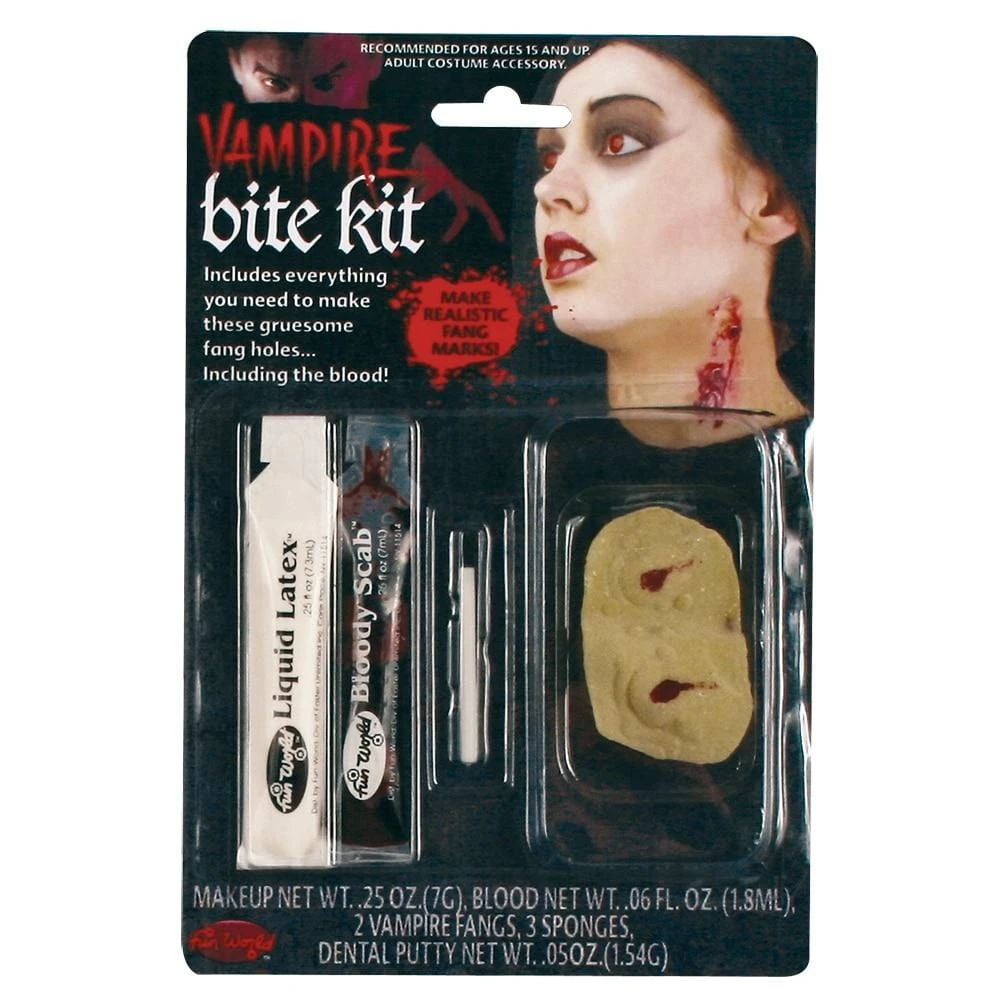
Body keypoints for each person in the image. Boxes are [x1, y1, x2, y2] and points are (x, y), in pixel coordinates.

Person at [533, 39, 813, 447]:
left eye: (619, 142)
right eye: (550, 159)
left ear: (771, 203)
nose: (548, 188)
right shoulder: (520, 460)